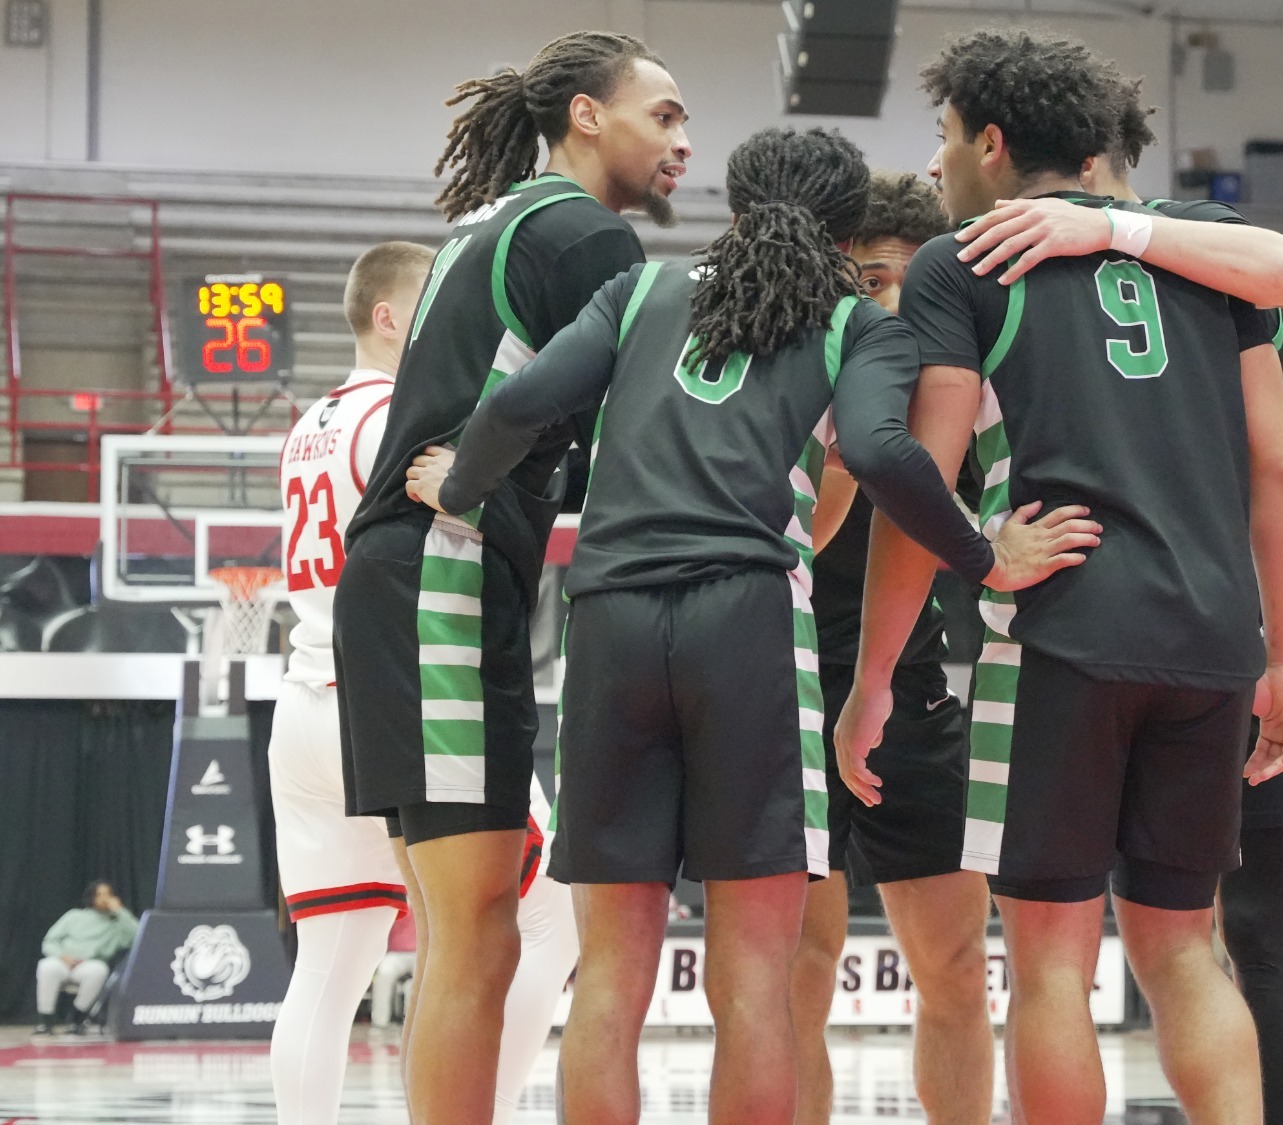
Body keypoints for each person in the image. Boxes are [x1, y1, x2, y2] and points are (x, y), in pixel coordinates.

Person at [408, 126, 1090, 1125]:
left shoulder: (638, 289)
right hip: (747, 621)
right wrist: (985, 556)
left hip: (609, 620)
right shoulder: (850, 322)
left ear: (733, 209)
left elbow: (519, 402)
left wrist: (462, 485)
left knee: (611, 974)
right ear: (844, 235)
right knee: (757, 980)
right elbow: (884, 454)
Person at [838, 30, 1283, 1124]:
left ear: (990, 143)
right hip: (1211, 641)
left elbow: (920, 481)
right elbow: (1279, 472)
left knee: (1051, 964)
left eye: (945, 136)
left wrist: (871, 680)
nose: (936, 161)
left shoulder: (960, 263)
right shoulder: (1202, 255)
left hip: (1059, 634)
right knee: (1183, 951)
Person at [997, 75, 1283, 1125]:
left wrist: (1113, 228)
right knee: (1190, 932)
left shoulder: (1186, 236)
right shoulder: (1020, 265)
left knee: (1253, 920)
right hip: (1191, 594)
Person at [333, 31, 687, 1124]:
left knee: (457, 928)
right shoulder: (587, 236)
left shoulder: (493, 220)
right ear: (586, 115)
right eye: (663, 115)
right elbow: (624, 427)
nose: (682, 141)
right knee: (479, 928)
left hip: (402, 571)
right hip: (442, 568)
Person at [268, 242, 576, 1125]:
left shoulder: (310, 422)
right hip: (402, 689)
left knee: (329, 968)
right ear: (390, 317)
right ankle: (479, 1108)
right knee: (553, 916)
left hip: (306, 695)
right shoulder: (398, 418)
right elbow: (460, 516)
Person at [786, 171, 995, 1125]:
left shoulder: (959, 390)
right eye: (870, 281)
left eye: (909, 281)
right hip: (792, 680)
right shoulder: (802, 373)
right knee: (800, 969)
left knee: (955, 962)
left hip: (908, 682)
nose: (893, 305)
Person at [34, 880, 137, 1036]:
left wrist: (120, 911)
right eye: (100, 894)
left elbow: (138, 935)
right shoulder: (74, 916)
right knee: (47, 966)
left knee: (99, 970)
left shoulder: (116, 924)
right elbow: (49, 941)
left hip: (89, 964)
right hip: (63, 961)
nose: (105, 898)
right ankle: (45, 1021)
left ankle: (76, 1019)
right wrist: (62, 956)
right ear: (92, 897)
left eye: (108, 894)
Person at [371, 911, 419, 1030]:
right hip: (395, 953)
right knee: (384, 974)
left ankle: (412, 1023)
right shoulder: (393, 907)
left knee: (418, 980)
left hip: (418, 953)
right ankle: (379, 1021)